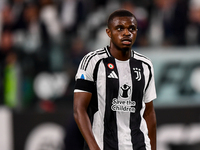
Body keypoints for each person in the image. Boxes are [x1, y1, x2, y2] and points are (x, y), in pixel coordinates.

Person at [73, 9, 157, 150]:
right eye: (120, 28)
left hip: (139, 145)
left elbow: (149, 112)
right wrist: (94, 147)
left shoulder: (145, 65)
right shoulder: (92, 62)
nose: (126, 33)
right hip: (104, 145)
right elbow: (79, 109)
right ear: (109, 33)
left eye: (131, 28)